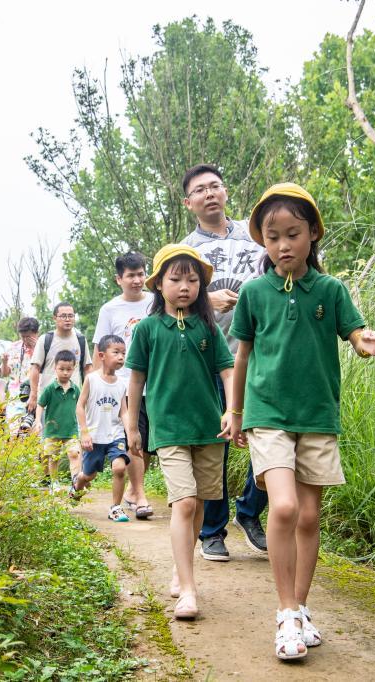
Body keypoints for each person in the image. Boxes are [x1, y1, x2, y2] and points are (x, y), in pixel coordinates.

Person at [230, 183, 375, 659]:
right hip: (267, 415)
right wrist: (235, 411)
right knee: (282, 508)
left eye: (293, 234)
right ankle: (284, 613)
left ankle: (299, 608)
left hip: (318, 415)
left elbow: (354, 333)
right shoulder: (254, 293)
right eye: (272, 235)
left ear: (313, 233)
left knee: (309, 515)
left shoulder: (331, 289)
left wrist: (366, 342)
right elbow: (243, 356)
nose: (282, 245)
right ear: (262, 240)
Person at [125, 244, 235, 620]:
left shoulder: (208, 328)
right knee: (184, 502)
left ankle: (180, 565)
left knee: (201, 503)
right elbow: (136, 380)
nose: (185, 286)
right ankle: (188, 590)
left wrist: (232, 411)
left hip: (208, 429)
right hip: (169, 429)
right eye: (176, 278)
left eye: (192, 279)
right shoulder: (149, 330)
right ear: (159, 285)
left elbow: (227, 370)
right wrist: (132, 426)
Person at [180, 163, 269, 562]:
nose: (210, 193)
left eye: (215, 186)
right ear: (189, 203)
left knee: (269, 433)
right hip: (210, 358)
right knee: (217, 442)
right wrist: (206, 300)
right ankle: (212, 531)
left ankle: (249, 511)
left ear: (226, 191)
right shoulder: (186, 252)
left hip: (259, 353)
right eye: (201, 190)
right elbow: (168, 305)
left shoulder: (256, 240)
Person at [92, 252, 154, 519]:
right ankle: (140, 495)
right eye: (131, 275)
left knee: (150, 443)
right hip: (126, 385)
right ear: (119, 279)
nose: (137, 280)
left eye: (141, 274)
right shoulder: (110, 309)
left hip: (158, 381)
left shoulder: (156, 302)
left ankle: (132, 490)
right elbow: (100, 350)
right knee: (133, 439)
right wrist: (99, 385)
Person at [71, 334, 130, 521]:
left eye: (123, 353)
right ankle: (77, 482)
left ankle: (116, 508)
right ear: (102, 355)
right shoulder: (91, 379)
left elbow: (124, 412)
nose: (121, 357)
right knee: (89, 476)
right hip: (94, 437)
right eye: (116, 352)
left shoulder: (122, 383)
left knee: (119, 468)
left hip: (115, 435)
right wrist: (84, 432)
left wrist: (131, 433)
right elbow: (80, 406)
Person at [27, 302, 92, 421]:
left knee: (73, 437)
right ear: (54, 318)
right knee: (48, 437)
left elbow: (87, 368)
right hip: (49, 401)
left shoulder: (81, 340)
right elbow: (35, 368)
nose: (68, 319)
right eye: (63, 316)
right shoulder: (45, 340)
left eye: (71, 316)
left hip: (73, 400)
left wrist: (87, 395)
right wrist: (33, 395)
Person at [37, 349, 83, 488]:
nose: (65, 372)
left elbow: (81, 407)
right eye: (61, 369)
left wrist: (84, 426)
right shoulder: (50, 388)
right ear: (55, 368)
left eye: (68, 369)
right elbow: (40, 405)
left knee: (75, 453)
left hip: (71, 430)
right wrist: (38, 420)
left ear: (74, 368)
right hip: (52, 431)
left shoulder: (76, 389)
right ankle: (54, 482)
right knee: (53, 457)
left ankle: (75, 481)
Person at [2, 317, 40, 434]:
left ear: (36, 333)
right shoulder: (13, 347)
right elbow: (5, 373)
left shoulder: (44, 347)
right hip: (16, 397)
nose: (25, 340)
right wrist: (4, 362)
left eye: (28, 336)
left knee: (35, 434)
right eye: (22, 336)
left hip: (38, 395)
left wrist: (36, 349)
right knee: (15, 433)